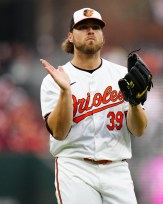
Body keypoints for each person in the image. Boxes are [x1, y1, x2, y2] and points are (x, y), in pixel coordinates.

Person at [40, 8, 149, 204]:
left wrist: (135, 103)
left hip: (116, 168)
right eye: (83, 27)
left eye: (96, 27)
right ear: (70, 36)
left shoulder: (122, 74)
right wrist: (65, 92)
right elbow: (58, 132)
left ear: (102, 35)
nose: (91, 31)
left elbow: (139, 130)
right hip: (75, 167)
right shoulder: (55, 79)